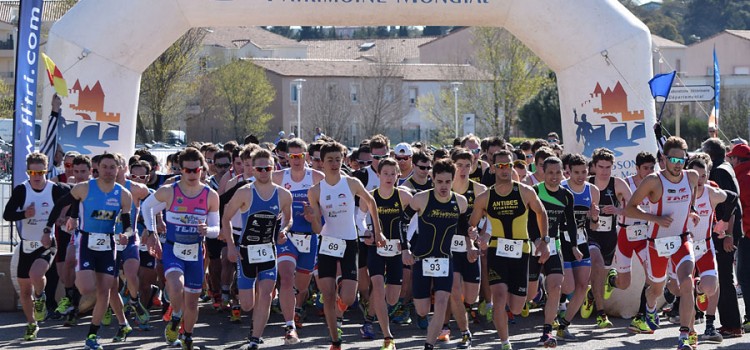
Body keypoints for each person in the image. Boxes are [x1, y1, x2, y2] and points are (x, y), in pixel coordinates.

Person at [45, 153, 133, 350]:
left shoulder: (123, 194)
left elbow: (128, 225)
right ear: (98, 168)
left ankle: (92, 336)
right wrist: (47, 230)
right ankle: (119, 322)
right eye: (105, 167)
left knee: (105, 290)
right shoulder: (84, 188)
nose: (109, 171)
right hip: (86, 241)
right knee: (86, 288)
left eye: (113, 167)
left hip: (109, 245)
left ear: (118, 169)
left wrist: (126, 234)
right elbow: (61, 204)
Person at [303, 141, 384, 350]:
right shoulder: (315, 191)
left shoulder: (351, 183)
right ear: (322, 162)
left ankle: (340, 310)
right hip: (328, 242)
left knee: (348, 296)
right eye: (330, 160)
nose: (334, 163)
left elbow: (371, 202)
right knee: (328, 294)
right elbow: (317, 228)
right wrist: (312, 217)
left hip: (349, 242)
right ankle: (335, 340)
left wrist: (378, 231)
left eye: (338, 159)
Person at [625, 136, 701, 350]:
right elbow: (631, 208)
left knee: (687, 284)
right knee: (655, 288)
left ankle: (685, 335)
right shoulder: (653, 181)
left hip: (682, 239)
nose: (677, 165)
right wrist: (655, 219)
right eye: (673, 160)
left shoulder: (692, 177)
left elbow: (691, 198)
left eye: (681, 160)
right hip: (657, 242)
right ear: (664, 159)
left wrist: (692, 211)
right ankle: (650, 307)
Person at [470, 150, 549, 350]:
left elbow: (541, 213)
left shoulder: (524, 191)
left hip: (521, 252)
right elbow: (471, 224)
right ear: (494, 168)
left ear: (513, 167)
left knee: (516, 306)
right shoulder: (485, 197)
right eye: (501, 166)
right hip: (497, 251)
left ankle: (534, 286)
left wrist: (544, 240)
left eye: (509, 165)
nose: (505, 169)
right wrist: (474, 237)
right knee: (499, 296)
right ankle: (505, 342)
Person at [142, 147, 221, 350]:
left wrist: (207, 230)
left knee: (193, 303)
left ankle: (187, 335)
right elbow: (147, 207)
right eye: (187, 170)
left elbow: (216, 228)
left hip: (195, 252)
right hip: (173, 248)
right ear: (181, 170)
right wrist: (151, 233)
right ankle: (176, 317)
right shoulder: (170, 191)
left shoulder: (210, 196)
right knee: (176, 286)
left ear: (203, 169)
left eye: (196, 170)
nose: (192, 174)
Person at [223, 148, 293, 349]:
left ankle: (255, 338)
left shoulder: (283, 195)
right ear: (253, 170)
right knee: (247, 304)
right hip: (246, 251)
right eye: (260, 169)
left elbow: (288, 218)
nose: (264, 172)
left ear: (274, 168)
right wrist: (230, 245)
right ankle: (247, 303)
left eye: (268, 168)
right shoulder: (244, 192)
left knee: (266, 293)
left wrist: (285, 230)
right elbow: (226, 218)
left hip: (269, 250)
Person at [401, 158, 468, 350]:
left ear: (453, 180)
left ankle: (428, 345)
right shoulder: (421, 199)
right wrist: (405, 248)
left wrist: (472, 241)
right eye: (439, 182)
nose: (444, 186)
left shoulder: (460, 202)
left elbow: (464, 228)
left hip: (445, 260)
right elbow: (401, 222)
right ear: (432, 178)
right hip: (422, 260)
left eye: (448, 182)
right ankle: (428, 324)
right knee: (422, 310)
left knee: (441, 302)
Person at [4, 152, 68, 340]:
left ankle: (40, 297)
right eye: (33, 173)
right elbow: (7, 215)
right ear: (28, 172)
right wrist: (25, 214)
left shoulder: (55, 189)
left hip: (46, 243)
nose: (37, 177)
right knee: (24, 290)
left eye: (41, 173)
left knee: (36, 275)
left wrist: (65, 217)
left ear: (46, 171)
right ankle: (32, 324)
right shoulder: (21, 190)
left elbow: (71, 201)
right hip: (26, 245)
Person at [272, 138, 324, 344]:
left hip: (310, 237)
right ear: (286, 157)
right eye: (291, 156)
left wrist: (316, 217)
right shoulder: (277, 176)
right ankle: (289, 327)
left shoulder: (317, 177)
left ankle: (290, 301)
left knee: (300, 287)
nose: (295, 160)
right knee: (285, 277)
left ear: (306, 157)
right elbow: (255, 189)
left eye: (299, 156)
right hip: (287, 236)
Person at [686, 154, 738, 343]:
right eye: (695, 175)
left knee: (711, 284)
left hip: (705, 245)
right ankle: (689, 329)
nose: (699, 180)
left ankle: (708, 326)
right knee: (678, 289)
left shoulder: (711, 192)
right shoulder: (679, 193)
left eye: (703, 175)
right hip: (682, 248)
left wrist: (723, 221)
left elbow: (733, 198)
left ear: (708, 176)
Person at [363, 157, 412, 350]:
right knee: (378, 286)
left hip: (396, 250)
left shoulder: (404, 196)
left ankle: (369, 317)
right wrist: (366, 233)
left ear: (398, 175)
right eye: (385, 173)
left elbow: (418, 216)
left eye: (393, 174)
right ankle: (387, 337)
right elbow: (359, 219)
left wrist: (406, 242)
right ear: (378, 175)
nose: (389, 177)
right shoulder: (370, 196)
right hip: (376, 248)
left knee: (391, 298)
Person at [606, 151, 657, 334]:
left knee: (651, 276)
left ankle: (641, 317)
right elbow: (618, 208)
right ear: (637, 168)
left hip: (644, 237)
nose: (649, 171)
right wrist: (621, 211)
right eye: (645, 168)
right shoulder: (626, 183)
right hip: (626, 235)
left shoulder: (655, 184)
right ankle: (611, 280)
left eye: (652, 167)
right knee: (624, 283)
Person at [526, 156, 575, 348]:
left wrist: (574, 247)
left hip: (554, 244)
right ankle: (537, 287)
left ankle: (547, 331)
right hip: (533, 245)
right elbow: (529, 221)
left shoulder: (566, 195)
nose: (554, 176)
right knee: (530, 296)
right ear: (542, 173)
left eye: (558, 172)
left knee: (555, 287)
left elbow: (569, 223)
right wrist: (537, 240)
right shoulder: (535, 191)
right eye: (550, 173)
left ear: (563, 172)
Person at [701, 138, 745, 337]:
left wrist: (727, 233)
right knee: (723, 278)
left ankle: (733, 325)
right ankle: (729, 323)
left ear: (710, 154)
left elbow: (732, 203)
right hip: (726, 230)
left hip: (725, 232)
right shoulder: (726, 166)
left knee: (724, 279)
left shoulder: (719, 171)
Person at [443, 149, 486, 348]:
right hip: (449, 247)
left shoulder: (478, 189)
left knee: (470, 296)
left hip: (471, 247)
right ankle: (451, 327)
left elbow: (489, 219)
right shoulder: (444, 188)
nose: (463, 170)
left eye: (467, 166)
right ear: (452, 166)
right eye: (459, 165)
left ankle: (458, 310)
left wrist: (484, 235)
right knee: (454, 288)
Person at [586, 148, 631, 328]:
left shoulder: (617, 184)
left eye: (608, 167)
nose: (605, 171)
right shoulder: (587, 183)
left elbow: (634, 205)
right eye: (601, 167)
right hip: (589, 234)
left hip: (610, 237)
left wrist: (618, 210)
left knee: (600, 275)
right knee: (596, 264)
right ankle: (601, 313)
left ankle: (596, 292)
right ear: (594, 167)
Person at [558, 153, 599, 341]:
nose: (581, 176)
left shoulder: (592, 190)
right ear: (569, 172)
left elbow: (594, 226)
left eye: (584, 172)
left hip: (582, 240)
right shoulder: (561, 188)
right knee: (568, 286)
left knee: (582, 287)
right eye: (576, 172)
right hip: (562, 241)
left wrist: (595, 216)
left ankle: (563, 325)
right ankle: (549, 284)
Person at [727, 143, 750, 333]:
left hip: (748, 235)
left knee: (744, 276)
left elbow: (739, 209)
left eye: (732, 158)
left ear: (738, 160)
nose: (730, 161)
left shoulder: (740, 179)